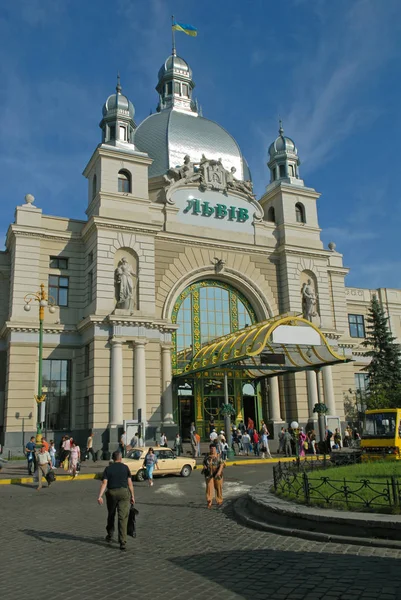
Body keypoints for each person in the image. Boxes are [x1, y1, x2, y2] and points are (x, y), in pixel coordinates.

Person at [97, 450, 135, 552]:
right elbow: (130, 483)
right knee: (122, 517)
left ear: (113, 459)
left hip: (112, 494)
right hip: (123, 493)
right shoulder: (125, 468)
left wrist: (100, 496)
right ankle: (122, 541)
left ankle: (110, 534)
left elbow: (104, 483)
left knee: (111, 514)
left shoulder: (108, 469)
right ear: (120, 458)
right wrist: (132, 496)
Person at [202, 444, 225, 509]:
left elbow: (221, 465)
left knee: (218, 487)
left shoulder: (218, 455)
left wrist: (219, 472)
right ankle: (209, 500)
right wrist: (204, 466)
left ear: (216, 449)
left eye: (214, 448)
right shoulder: (207, 455)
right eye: (211, 448)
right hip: (209, 473)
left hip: (217, 473)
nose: (213, 450)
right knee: (209, 486)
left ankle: (219, 500)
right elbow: (204, 462)